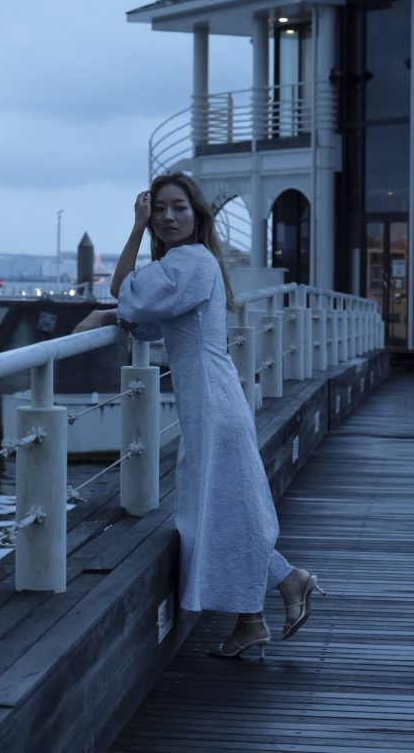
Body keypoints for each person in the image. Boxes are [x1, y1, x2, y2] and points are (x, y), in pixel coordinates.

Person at [73, 172, 325, 659]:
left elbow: (121, 288)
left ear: (198, 215)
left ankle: (286, 584)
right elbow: (146, 322)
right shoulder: (188, 264)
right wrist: (110, 317)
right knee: (223, 508)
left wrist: (136, 226)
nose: (167, 217)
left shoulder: (189, 260)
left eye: (178, 208)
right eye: (159, 209)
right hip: (212, 398)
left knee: (219, 508)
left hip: (211, 401)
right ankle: (253, 617)